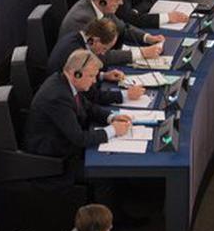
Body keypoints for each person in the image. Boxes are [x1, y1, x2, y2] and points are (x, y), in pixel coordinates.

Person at [23, 50, 133, 184]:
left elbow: (89, 107)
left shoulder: (65, 82)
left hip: (66, 146)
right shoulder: (58, 97)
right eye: (91, 76)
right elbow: (79, 138)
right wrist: (113, 130)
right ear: (76, 74)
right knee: (105, 175)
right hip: (55, 161)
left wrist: (112, 118)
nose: (94, 81)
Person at [55, 0, 165, 68]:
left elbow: (122, 27)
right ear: (102, 1)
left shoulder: (102, 7)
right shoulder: (83, 20)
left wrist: (147, 37)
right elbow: (99, 56)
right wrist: (142, 53)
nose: (121, 3)